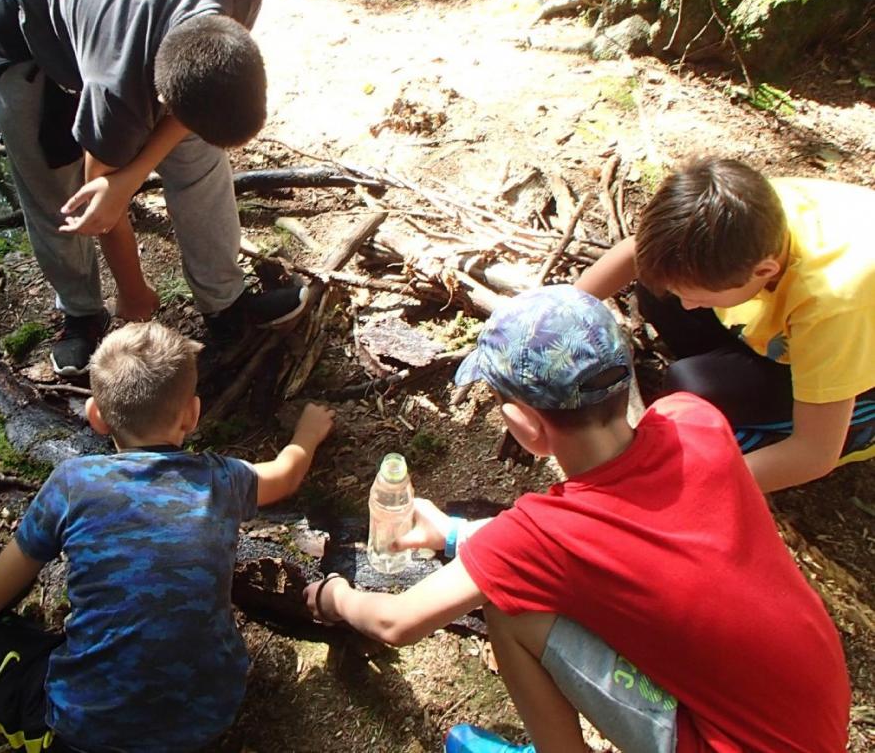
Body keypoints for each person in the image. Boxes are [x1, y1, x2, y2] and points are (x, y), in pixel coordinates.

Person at [304, 286, 849, 753]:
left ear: (526, 423)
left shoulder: (542, 532)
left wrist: (335, 597)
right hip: (815, 712)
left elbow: (397, 623)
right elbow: (607, 539)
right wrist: (453, 534)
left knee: (509, 609)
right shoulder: (693, 421)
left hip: (732, 743)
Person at [0, 322, 335, 752]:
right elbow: (286, 473)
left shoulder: (73, 483)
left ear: (96, 417)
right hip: (211, 713)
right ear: (193, 415)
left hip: (86, 733)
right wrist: (307, 433)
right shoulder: (220, 479)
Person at [0, 0, 308, 376]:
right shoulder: (117, 88)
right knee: (57, 192)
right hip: (25, 20)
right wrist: (133, 292)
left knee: (199, 156)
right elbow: (98, 206)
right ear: (159, 98)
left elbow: (182, 115)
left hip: (110, 2)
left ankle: (225, 302)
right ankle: (82, 314)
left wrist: (131, 175)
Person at [576, 156, 875, 493]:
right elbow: (637, 253)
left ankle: (861, 422)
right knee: (658, 288)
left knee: (695, 391)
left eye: (699, 296)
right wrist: (554, 315)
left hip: (857, 353)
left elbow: (813, 453)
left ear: (764, 272)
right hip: (802, 325)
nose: (688, 304)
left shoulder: (831, 303)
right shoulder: (742, 212)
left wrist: (684, 487)